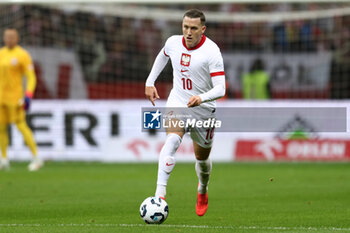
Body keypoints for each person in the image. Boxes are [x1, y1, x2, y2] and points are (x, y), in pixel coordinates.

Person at [145, 9, 226, 217]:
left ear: (203, 29)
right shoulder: (173, 42)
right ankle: (159, 196)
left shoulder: (212, 51)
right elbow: (162, 57)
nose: (188, 32)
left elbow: (221, 88)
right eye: (185, 27)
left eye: (193, 28)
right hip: (178, 101)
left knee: (202, 160)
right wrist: (150, 81)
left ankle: (202, 189)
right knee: (171, 141)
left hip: (203, 110)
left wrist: (202, 97)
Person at [0, 28, 43, 171]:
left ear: (17, 38)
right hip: (1, 98)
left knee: (21, 126)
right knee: (1, 129)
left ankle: (36, 158)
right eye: (7, 37)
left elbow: (31, 76)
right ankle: (4, 159)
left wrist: (28, 95)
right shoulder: (1, 54)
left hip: (16, 98)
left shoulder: (22, 54)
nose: (9, 39)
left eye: (12, 36)